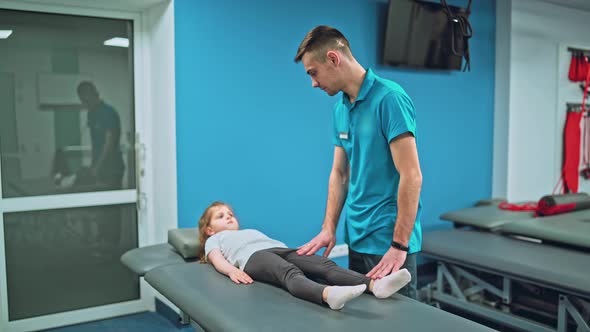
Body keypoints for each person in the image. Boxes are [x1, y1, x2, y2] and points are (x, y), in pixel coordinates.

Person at [294, 26, 423, 299]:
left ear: (333, 58)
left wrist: (399, 245)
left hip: (389, 241)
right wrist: (329, 228)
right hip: (358, 236)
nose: (313, 83)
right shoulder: (340, 108)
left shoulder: (390, 99)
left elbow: (411, 176)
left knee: (400, 322)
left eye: (313, 72)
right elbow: (340, 174)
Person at [197, 201, 411, 311]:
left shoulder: (248, 230)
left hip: (278, 249)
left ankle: (375, 285)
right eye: (220, 216)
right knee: (289, 273)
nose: (229, 218)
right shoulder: (215, 240)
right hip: (252, 258)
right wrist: (232, 270)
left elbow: (274, 245)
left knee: (323, 264)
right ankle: (328, 295)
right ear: (209, 229)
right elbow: (216, 259)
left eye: (231, 214)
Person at [77, 81, 125, 189]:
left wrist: (97, 167)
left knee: (112, 203)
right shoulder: (91, 113)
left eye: (85, 100)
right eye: (82, 101)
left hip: (113, 168)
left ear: (92, 94)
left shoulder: (108, 112)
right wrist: (93, 165)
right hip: (100, 167)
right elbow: (96, 142)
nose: (84, 103)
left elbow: (109, 143)